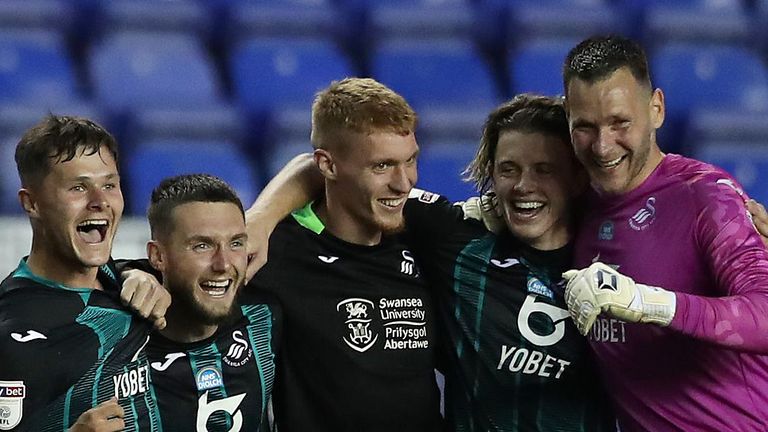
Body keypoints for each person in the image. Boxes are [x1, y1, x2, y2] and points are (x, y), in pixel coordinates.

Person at [246, 89, 616, 429]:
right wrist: (258, 222)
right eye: (508, 169)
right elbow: (323, 171)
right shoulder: (449, 238)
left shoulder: (616, 257)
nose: (404, 182)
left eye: (545, 170)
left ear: (578, 178)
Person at [560, 35, 768, 431]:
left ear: (656, 108)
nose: (603, 147)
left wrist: (647, 303)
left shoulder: (706, 197)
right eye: (584, 127)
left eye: (620, 123)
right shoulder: (575, 206)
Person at [246, 77, 444, 431]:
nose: (404, 182)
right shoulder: (276, 250)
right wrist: (139, 277)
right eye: (381, 166)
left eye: (410, 160)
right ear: (328, 166)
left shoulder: (426, 232)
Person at [0, 115, 169, 431]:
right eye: (78, 187)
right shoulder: (11, 328)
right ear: (31, 203)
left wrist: (136, 273)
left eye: (109, 185)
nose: (100, 202)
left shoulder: (129, 285)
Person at [140, 174, 280, 431]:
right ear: (158, 256)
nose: (224, 264)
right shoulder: (119, 345)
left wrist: (266, 215)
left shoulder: (264, 314)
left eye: (236, 243)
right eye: (202, 246)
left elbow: (331, 164)